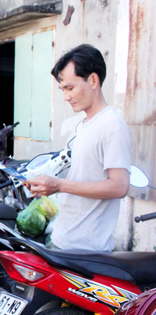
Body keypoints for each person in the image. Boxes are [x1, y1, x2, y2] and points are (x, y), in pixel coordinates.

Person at [26, 44, 132, 251]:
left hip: (86, 250)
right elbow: (82, 177)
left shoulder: (112, 125)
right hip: (65, 238)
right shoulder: (84, 124)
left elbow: (120, 186)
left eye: (70, 88)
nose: (65, 96)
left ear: (93, 80)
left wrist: (60, 185)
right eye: (62, 89)